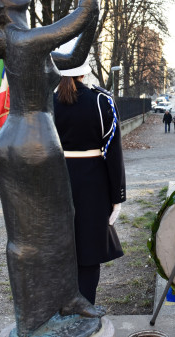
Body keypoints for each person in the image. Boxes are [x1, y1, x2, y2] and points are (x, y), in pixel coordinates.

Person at [0, 0, 102, 333]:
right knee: (29, 237)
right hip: (32, 140)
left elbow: (76, 57)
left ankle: (66, 299)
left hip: (31, 138)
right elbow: (82, 12)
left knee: (59, 223)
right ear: (3, 6)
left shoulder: (27, 45)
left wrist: (93, 18)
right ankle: (32, 318)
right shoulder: (25, 41)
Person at [54, 61, 126, 305]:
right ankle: (85, 307)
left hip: (56, 180)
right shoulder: (101, 100)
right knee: (88, 249)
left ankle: (62, 306)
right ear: (84, 72)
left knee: (60, 249)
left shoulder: (45, 101)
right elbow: (113, 152)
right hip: (92, 183)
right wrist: (117, 196)